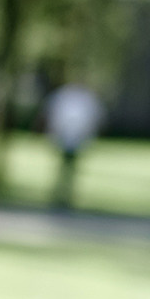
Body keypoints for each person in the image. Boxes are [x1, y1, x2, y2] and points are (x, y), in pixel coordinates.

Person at [45, 80, 104, 209]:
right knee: (65, 167)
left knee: (69, 168)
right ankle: (61, 194)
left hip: (76, 139)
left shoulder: (82, 97)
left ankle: (65, 194)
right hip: (65, 137)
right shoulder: (68, 95)